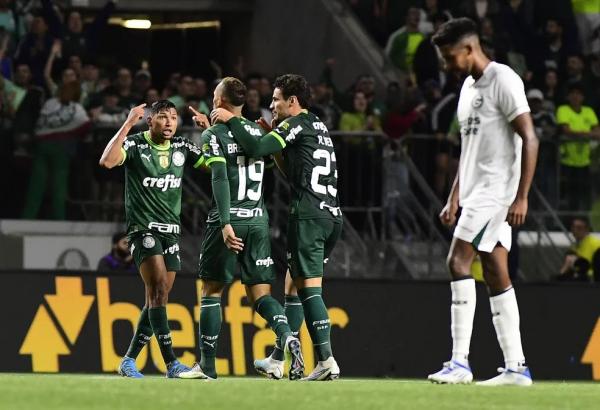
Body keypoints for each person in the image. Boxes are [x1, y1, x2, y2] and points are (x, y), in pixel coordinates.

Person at [427, 18, 538, 386]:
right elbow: (468, 150)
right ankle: (516, 367)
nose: (446, 64)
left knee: (457, 260)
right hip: (475, 192)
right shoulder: (467, 89)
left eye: (448, 56)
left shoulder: (504, 79)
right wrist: (453, 196)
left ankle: (459, 362)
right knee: (495, 271)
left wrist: (521, 196)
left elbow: (530, 138)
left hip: (496, 191)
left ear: (469, 49)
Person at [211, 74, 342, 381]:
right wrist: (275, 146)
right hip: (331, 216)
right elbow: (291, 171)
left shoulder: (292, 124)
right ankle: (276, 359)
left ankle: (326, 360)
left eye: (276, 100)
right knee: (293, 285)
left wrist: (231, 120)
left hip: (307, 216)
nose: (272, 106)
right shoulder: (318, 126)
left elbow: (255, 148)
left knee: (310, 291)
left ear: (292, 102)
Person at [179, 77, 304, 381]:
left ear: (219, 101)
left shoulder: (216, 133)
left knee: (211, 291)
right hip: (258, 220)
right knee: (261, 293)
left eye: (213, 95)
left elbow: (219, 177)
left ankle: (207, 366)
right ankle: (286, 335)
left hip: (229, 220)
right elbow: (268, 163)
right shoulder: (257, 130)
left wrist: (224, 223)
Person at [98, 100, 208, 379]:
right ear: (149, 121)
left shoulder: (182, 147)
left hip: (171, 231)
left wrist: (210, 132)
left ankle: (128, 360)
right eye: (162, 117)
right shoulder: (136, 145)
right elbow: (107, 161)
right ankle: (171, 363)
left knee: (157, 299)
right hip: (142, 230)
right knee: (158, 288)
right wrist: (127, 123)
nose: (170, 122)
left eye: (173, 117)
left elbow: (211, 164)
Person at [557, 217, 600, 282]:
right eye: (573, 227)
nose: (575, 230)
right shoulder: (573, 246)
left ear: (587, 230)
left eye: (579, 228)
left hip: (591, 281)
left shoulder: (596, 244)